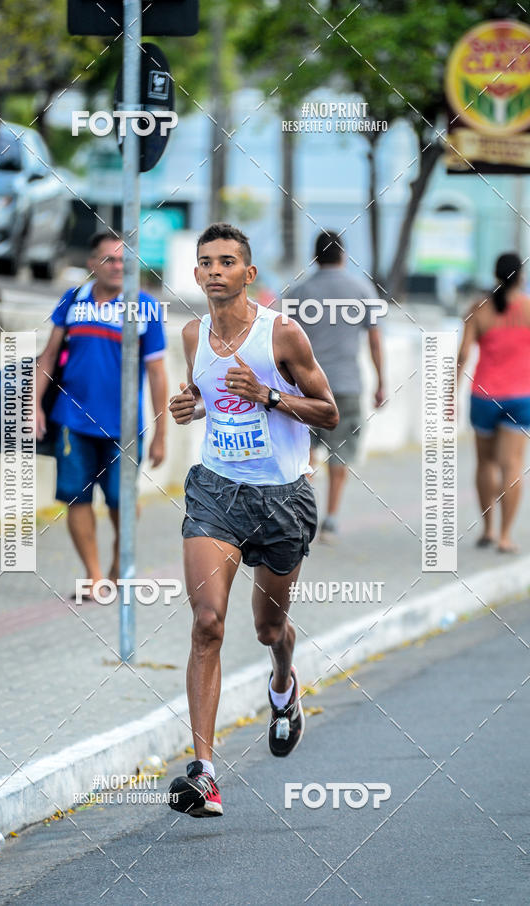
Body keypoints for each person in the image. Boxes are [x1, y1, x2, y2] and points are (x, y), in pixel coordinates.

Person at [167, 223, 338, 817]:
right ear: (196, 274)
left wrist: (269, 396)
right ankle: (205, 774)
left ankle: (283, 685)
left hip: (282, 500)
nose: (215, 271)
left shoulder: (281, 334)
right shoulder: (193, 334)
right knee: (207, 622)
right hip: (216, 492)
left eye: (226, 261)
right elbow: (207, 399)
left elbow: (329, 412)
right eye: (206, 262)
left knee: (269, 629)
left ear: (249, 273)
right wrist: (188, 407)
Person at [36, 232, 167, 596]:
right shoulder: (73, 299)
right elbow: (49, 356)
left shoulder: (145, 307)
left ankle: (117, 567)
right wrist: (34, 407)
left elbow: (158, 373)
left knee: (122, 503)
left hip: (124, 427)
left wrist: (161, 434)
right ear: (92, 263)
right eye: (109, 259)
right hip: (72, 420)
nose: (117, 266)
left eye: (124, 261)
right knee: (76, 498)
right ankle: (94, 577)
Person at [291, 230, 385, 541]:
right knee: (340, 454)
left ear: (315, 257)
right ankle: (330, 519)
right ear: (343, 255)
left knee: (305, 453)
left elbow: (281, 344)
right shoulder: (362, 289)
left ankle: (302, 516)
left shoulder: (298, 292)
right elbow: (374, 340)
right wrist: (381, 383)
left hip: (305, 388)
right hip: (346, 386)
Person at [457, 252, 530, 553]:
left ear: (496, 276)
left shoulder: (478, 309)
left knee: (485, 463)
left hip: (484, 397)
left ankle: (487, 529)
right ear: (521, 277)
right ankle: (505, 536)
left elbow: (463, 355)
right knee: (512, 465)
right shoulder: (528, 308)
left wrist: (450, 394)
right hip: (521, 398)